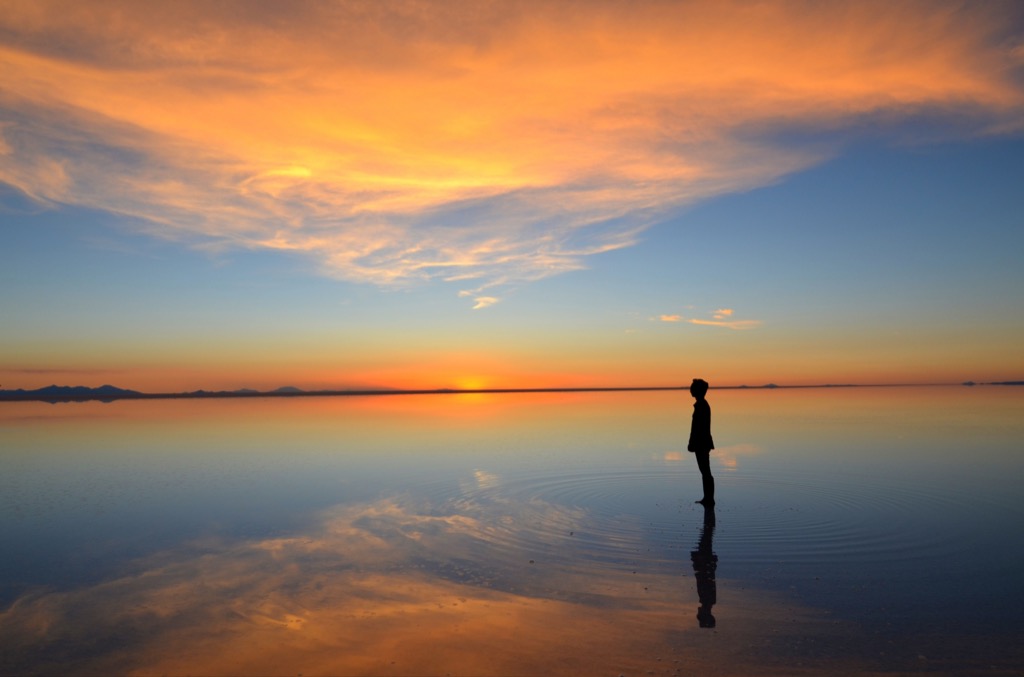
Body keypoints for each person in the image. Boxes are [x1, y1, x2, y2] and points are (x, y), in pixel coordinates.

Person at [687, 378, 715, 505]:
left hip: (701, 443)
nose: (690, 390)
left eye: (692, 388)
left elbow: (698, 428)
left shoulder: (702, 406)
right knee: (705, 471)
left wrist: (692, 443)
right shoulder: (701, 405)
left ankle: (709, 499)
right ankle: (707, 498)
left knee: (705, 471)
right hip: (702, 442)